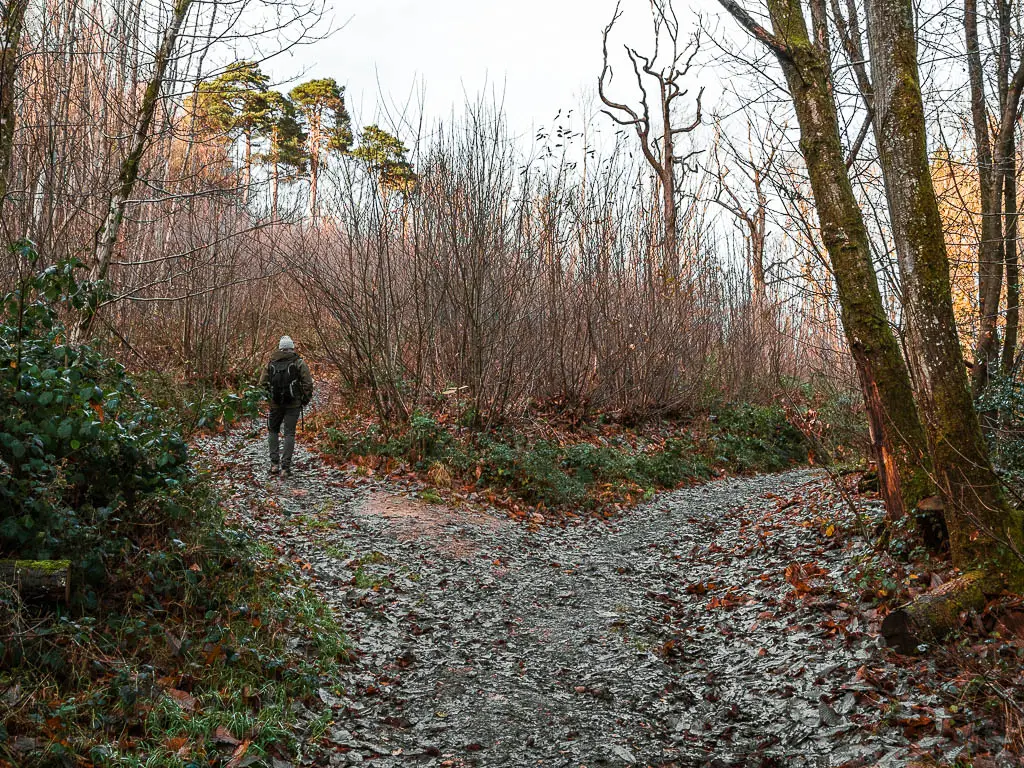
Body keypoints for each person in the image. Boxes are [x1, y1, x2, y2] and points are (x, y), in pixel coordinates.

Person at [260, 335, 313, 477]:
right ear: (291, 348)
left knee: (273, 431)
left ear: (280, 348)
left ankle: (274, 465)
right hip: (293, 404)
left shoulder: (270, 363)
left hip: (275, 404)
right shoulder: (298, 362)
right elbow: (308, 383)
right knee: (289, 433)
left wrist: (269, 398)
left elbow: (262, 384)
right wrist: (304, 400)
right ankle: (285, 468)